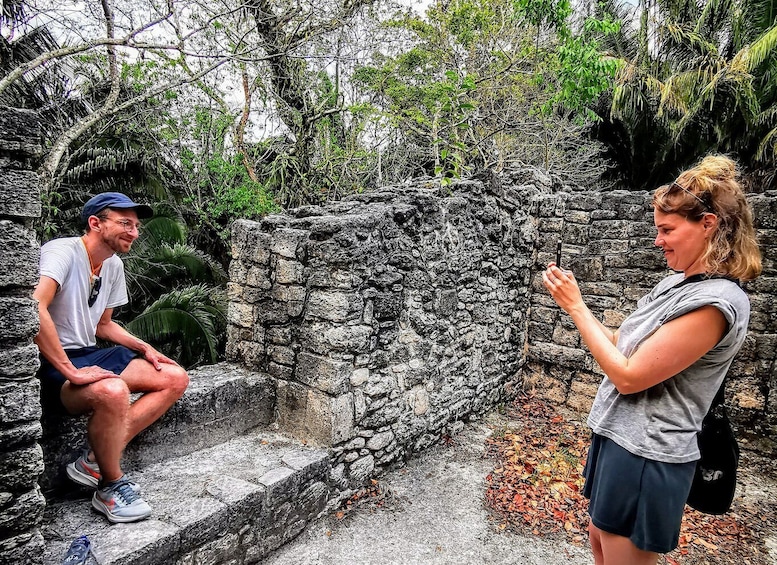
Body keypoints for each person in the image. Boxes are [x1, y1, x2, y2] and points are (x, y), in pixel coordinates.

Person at [542, 155, 761, 565]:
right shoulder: (675, 283)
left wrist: (575, 308)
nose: (658, 241)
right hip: (619, 437)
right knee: (599, 539)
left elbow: (628, 376)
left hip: (648, 453)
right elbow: (621, 344)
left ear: (708, 224)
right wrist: (575, 302)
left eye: (667, 230)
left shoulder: (716, 303)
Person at [34, 192, 189, 524]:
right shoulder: (62, 252)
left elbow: (103, 324)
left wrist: (144, 347)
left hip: (89, 352)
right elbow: (35, 308)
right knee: (113, 391)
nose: (134, 232)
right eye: (125, 223)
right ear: (95, 223)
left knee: (175, 378)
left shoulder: (113, 265)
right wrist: (70, 372)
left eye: (135, 226)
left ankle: (92, 460)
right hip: (48, 361)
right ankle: (110, 485)